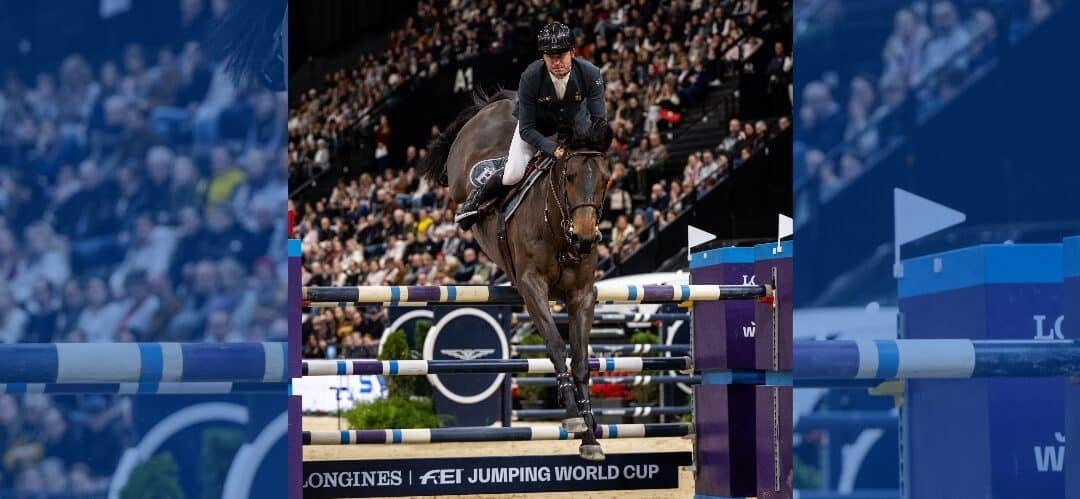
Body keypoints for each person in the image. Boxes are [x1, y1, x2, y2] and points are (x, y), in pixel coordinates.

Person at [456, 22, 608, 229]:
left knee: (588, 171)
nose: (556, 62)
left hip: (575, 130)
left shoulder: (591, 74)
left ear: (572, 52)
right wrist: (552, 148)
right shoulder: (531, 77)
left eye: (561, 55)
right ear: (542, 56)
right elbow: (526, 129)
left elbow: (599, 120)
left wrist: (592, 146)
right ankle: (476, 199)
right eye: (549, 56)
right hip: (537, 129)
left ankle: (590, 222)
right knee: (513, 174)